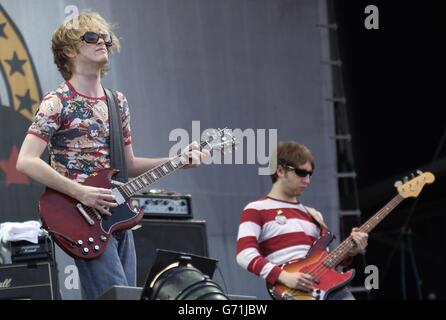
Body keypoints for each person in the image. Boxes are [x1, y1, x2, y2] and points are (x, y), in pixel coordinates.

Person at [16, 11, 208, 300]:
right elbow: (26, 161)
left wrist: (177, 160)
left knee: (126, 294)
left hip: (116, 212)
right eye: (91, 37)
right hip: (81, 215)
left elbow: (128, 165)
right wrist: (82, 192)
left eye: (105, 37)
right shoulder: (58, 101)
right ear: (68, 51)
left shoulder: (117, 102)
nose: (102, 41)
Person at [236, 141, 368, 300]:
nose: (307, 180)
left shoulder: (314, 215)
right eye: (301, 173)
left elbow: (324, 262)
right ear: (280, 170)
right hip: (293, 293)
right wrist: (284, 276)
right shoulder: (256, 209)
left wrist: (349, 252)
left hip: (332, 291)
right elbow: (244, 254)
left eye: (310, 174)